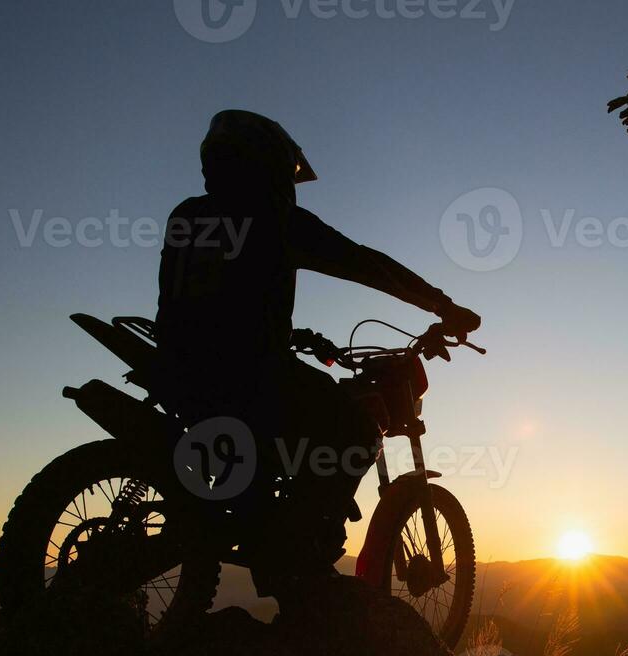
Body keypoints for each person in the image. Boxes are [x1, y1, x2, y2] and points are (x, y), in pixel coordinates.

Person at [155, 109, 480, 602]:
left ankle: (270, 534)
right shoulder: (276, 219)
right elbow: (367, 264)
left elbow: (214, 300)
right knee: (355, 428)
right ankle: (297, 558)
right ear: (266, 163)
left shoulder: (188, 214)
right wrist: (443, 305)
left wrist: (292, 334)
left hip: (182, 368)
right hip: (249, 374)